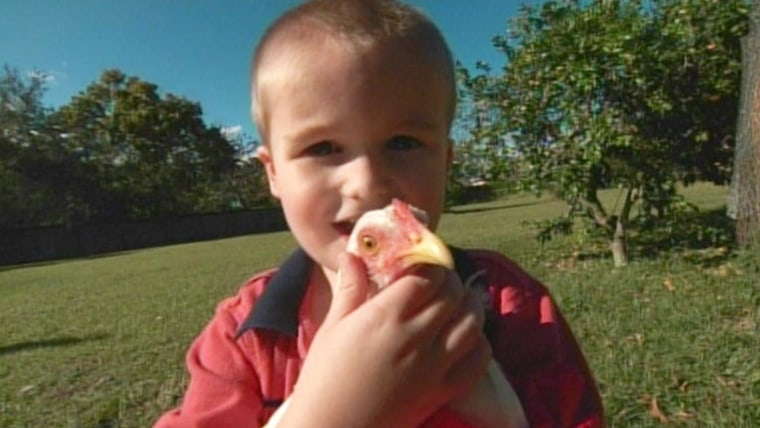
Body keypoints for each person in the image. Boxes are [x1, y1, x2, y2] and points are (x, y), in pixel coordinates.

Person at [155, 0, 604, 426]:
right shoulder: (244, 339)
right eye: (323, 148)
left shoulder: (511, 305)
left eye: (403, 143)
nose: (368, 182)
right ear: (273, 174)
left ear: (445, 164)